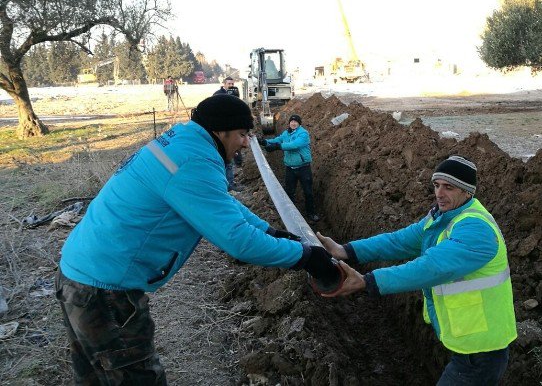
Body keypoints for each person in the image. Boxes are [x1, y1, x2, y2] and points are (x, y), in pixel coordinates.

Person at [55, 94, 340, 384]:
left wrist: (270, 231)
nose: (245, 142)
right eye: (242, 134)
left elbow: (217, 201)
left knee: (95, 376)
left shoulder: (182, 141)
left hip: (79, 270)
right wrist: (308, 258)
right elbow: (239, 241)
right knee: (135, 377)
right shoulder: (192, 160)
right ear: (221, 131)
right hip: (103, 290)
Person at [318, 156, 517, 385]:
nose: (439, 193)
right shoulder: (442, 217)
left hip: (482, 350)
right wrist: (346, 250)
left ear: (467, 192)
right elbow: (400, 241)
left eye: (448, 187)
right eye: (436, 185)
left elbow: (431, 267)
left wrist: (368, 281)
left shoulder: (476, 229)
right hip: (466, 340)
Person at [260, 114, 319, 223]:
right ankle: (292, 215)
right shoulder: (286, 133)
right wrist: (265, 142)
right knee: (289, 191)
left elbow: (294, 145)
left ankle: (311, 213)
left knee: (308, 192)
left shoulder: (303, 134)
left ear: (299, 123)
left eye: (295, 121)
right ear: (289, 123)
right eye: (291, 121)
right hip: (290, 168)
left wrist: (278, 147)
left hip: (303, 168)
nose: (293, 123)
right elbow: (278, 139)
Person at [213, 78, 243, 189]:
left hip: (231, 131)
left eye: (232, 84)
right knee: (225, 161)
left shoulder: (234, 93)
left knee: (228, 160)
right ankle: (227, 185)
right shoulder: (217, 95)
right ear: (224, 84)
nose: (231, 85)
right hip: (221, 133)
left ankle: (228, 184)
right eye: (229, 83)